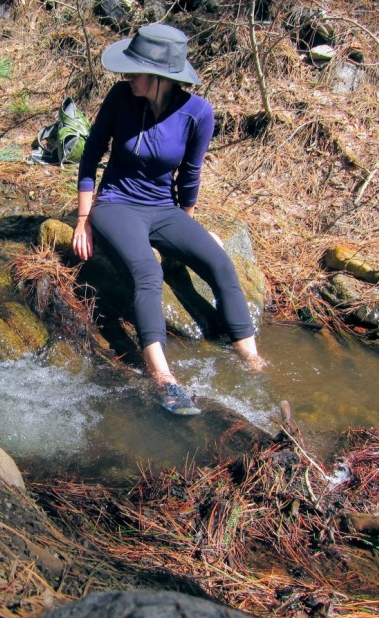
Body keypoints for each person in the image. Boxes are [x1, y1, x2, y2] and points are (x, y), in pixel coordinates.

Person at [72, 23, 265, 416]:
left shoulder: (198, 112)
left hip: (163, 208)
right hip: (116, 203)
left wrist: (187, 229)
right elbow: (91, 153)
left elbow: (190, 175)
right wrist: (83, 217)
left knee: (219, 263)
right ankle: (164, 377)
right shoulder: (121, 97)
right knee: (148, 272)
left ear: (162, 77)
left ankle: (253, 361)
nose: (127, 77)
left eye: (135, 69)